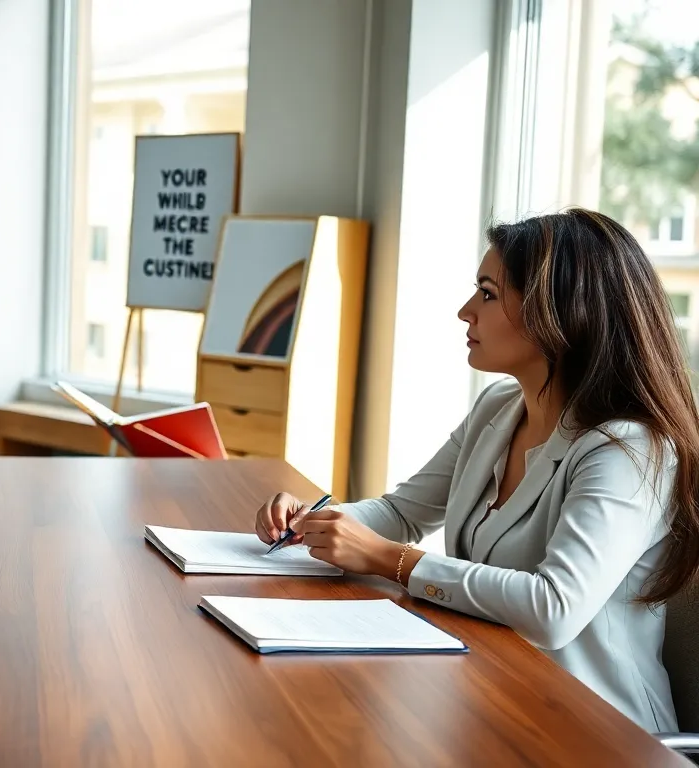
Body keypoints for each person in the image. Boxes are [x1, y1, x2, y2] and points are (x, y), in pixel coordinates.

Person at [254, 208, 699, 733]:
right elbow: (400, 511)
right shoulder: (499, 408)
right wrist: (314, 521)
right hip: (495, 693)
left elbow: (553, 608)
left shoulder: (628, 449)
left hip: (595, 731)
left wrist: (386, 559)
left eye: (488, 293)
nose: (466, 311)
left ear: (560, 313)